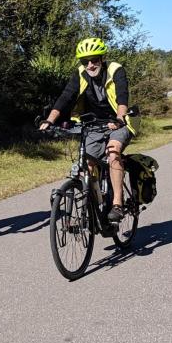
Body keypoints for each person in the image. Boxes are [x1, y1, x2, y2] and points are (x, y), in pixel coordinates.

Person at [39, 37, 136, 223]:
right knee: (88, 164)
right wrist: (49, 121)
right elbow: (66, 96)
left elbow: (123, 96)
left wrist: (119, 117)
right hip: (93, 124)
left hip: (119, 122)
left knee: (113, 153)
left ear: (102, 58)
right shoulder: (81, 73)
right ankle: (92, 206)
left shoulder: (115, 70)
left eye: (94, 60)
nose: (90, 65)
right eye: (85, 61)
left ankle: (117, 204)